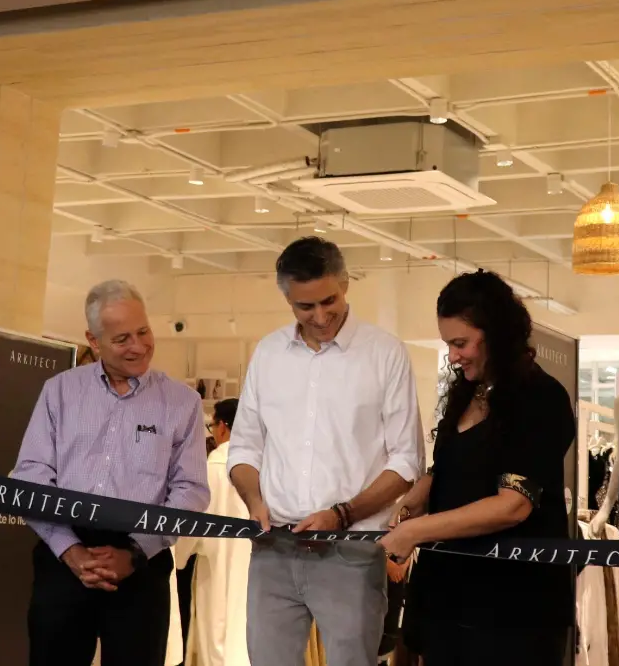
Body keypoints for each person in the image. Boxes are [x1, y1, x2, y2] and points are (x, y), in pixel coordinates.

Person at [227, 237, 425, 666]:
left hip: (350, 553)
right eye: (304, 306)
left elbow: (407, 460)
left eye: (328, 300)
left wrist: (343, 514)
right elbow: (244, 447)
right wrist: (254, 499)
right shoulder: (268, 353)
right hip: (273, 549)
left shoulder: (384, 353)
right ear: (287, 299)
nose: (320, 316)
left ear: (346, 283)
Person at [381, 270, 575, 666]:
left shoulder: (541, 398)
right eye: (449, 344)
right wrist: (426, 486)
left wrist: (416, 531)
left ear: (497, 333)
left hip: (511, 609)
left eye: (461, 343)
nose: (452, 355)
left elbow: (512, 505)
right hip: (450, 597)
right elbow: (463, 461)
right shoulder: (467, 390)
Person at [12, 279, 211, 666]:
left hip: (142, 561)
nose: (138, 346)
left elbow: (191, 490)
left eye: (143, 332)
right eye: (122, 338)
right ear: (94, 339)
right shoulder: (59, 391)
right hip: (63, 555)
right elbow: (31, 475)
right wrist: (70, 550)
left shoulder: (182, 402)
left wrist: (135, 551)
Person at [177, 398, 251, 666]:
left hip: (217, 567)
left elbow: (191, 526)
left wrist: (178, 558)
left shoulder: (211, 470)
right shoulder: (265, 469)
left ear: (223, 427)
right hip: (257, 571)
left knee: (217, 638)